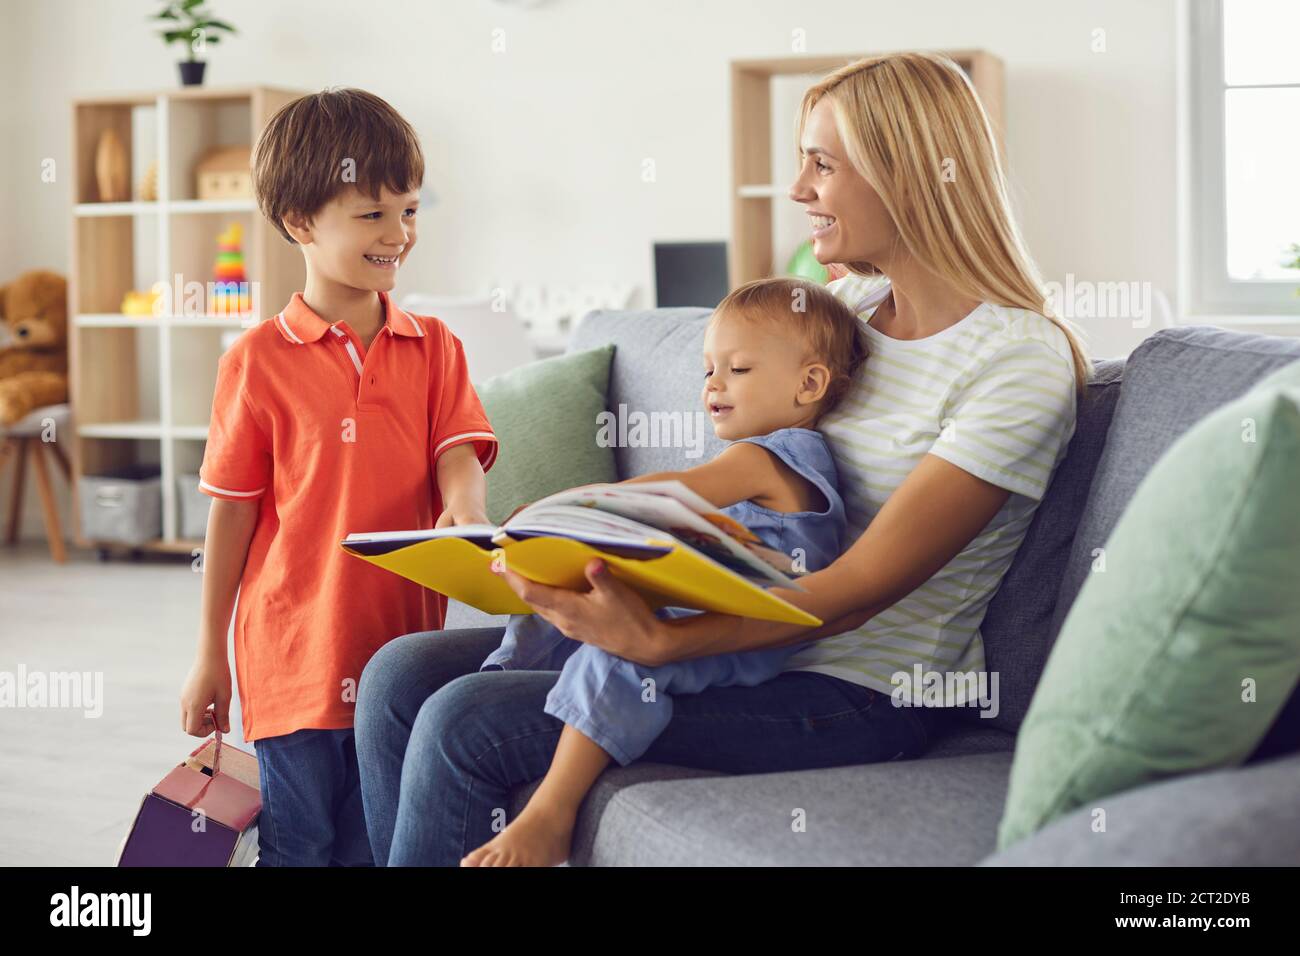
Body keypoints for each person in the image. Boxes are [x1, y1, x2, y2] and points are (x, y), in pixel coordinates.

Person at [356, 51, 1090, 868]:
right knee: (400, 674)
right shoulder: (843, 310)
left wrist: (664, 645)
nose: (799, 190)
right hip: (744, 651)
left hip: (856, 694)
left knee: (471, 720)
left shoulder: (1018, 361)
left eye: (823, 163)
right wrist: (578, 536)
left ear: (909, 173)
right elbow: (736, 486)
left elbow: (850, 595)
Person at [178, 88, 498, 866]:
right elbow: (232, 516)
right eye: (373, 215)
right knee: (299, 845)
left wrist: (467, 509)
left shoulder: (436, 347)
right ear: (299, 223)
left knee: (373, 845)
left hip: (397, 657)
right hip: (292, 656)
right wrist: (208, 654)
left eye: (410, 212)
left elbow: (457, 451)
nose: (399, 235)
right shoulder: (255, 362)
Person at [464, 277, 866, 865]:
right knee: (568, 586)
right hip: (721, 604)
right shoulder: (764, 455)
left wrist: (568, 504)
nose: (714, 385)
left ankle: (552, 811)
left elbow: (669, 492)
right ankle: (502, 678)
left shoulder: (773, 455)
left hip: (747, 629)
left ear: (809, 383)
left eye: (739, 370)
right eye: (708, 369)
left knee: (617, 651)